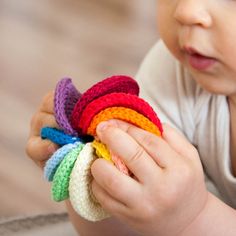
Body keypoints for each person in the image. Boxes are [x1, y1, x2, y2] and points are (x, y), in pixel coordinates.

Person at [26, 0, 236, 235]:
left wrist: (193, 217)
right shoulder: (175, 72)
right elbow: (122, 227)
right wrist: (84, 171)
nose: (185, 11)